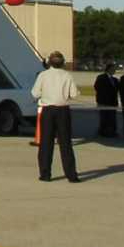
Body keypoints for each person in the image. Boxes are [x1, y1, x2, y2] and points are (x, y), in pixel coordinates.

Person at [31, 51, 80, 182]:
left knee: (46, 143)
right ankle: (71, 175)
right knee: (65, 144)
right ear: (63, 63)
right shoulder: (67, 75)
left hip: (47, 110)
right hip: (63, 110)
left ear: (49, 63)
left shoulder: (43, 75)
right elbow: (74, 94)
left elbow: (35, 93)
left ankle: (45, 174)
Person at [94, 64, 119, 137]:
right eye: (113, 69)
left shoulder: (115, 80)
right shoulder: (101, 77)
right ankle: (103, 131)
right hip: (104, 101)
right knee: (104, 117)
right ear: (109, 69)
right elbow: (97, 87)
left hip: (113, 102)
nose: (114, 70)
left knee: (112, 118)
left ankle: (112, 131)